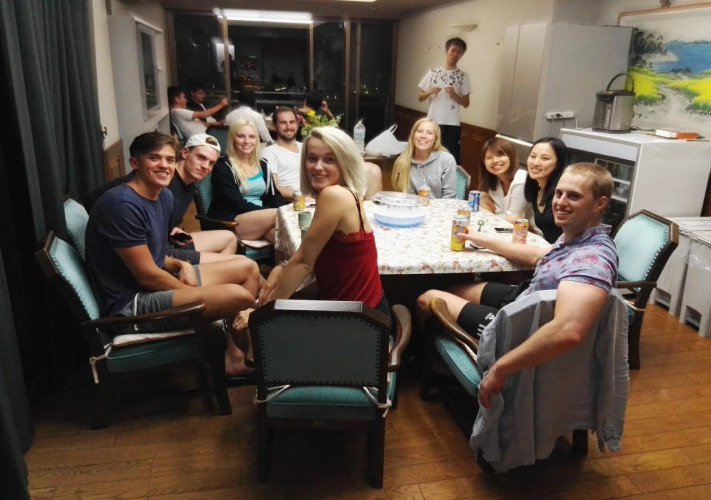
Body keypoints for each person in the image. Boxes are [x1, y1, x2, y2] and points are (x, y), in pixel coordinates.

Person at [417, 162, 617, 407]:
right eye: (559, 193)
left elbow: (569, 330)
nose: (560, 202)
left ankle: (436, 364)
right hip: (522, 299)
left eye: (574, 196)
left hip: (517, 328)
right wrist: (479, 239)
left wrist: (501, 367)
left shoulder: (592, 260)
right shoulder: (579, 237)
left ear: (599, 204)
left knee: (428, 298)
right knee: (453, 287)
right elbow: (538, 256)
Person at [85, 132, 260, 376]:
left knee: (248, 267)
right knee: (238, 296)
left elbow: (155, 255)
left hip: (154, 284)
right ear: (135, 163)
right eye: (154, 158)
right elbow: (147, 276)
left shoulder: (163, 196)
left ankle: (234, 355)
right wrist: (196, 293)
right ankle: (242, 352)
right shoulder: (122, 205)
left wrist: (180, 265)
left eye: (169, 159)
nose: (164, 166)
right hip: (130, 303)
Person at [235, 126, 388, 332]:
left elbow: (304, 262)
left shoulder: (335, 196)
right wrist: (283, 267)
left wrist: (261, 314)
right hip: (360, 310)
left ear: (345, 162)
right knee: (265, 300)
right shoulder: (345, 193)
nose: (318, 167)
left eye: (329, 160)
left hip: (357, 324)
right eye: (312, 158)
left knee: (254, 324)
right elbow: (315, 255)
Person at [83, 134, 239, 265]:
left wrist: (172, 228)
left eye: (211, 163)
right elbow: (93, 198)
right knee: (236, 264)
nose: (205, 166)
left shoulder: (191, 185)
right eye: (200, 158)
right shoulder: (158, 179)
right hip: (158, 252)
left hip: (169, 242)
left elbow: (163, 216)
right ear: (185, 153)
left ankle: (205, 278)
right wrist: (117, 235)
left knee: (230, 239)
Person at [208, 120, 286, 244]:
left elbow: (274, 195)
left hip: (263, 217)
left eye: (251, 137)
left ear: (257, 140)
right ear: (233, 139)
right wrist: (268, 213)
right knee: (281, 214)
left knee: (283, 237)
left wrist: (280, 210)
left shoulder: (263, 164)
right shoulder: (223, 166)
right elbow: (235, 203)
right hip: (232, 220)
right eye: (241, 136)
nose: (247, 141)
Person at [418, 37, 471, 164]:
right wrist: (430, 92)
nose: (455, 54)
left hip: (452, 124)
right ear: (446, 51)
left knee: (450, 160)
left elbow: (466, 103)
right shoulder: (433, 73)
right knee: (428, 156)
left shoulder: (463, 76)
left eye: (459, 52)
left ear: (462, 55)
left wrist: (454, 95)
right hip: (432, 122)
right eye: (453, 50)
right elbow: (420, 97)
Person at [391, 117, 457, 199]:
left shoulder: (446, 160)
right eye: (419, 131)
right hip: (415, 205)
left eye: (429, 133)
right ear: (413, 135)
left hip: (442, 206)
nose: (423, 136)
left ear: (435, 139)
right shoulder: (403, 161)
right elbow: (407, 197)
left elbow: (449, 197)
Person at [524, 137, 569, 243]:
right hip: (550, 248)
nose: (535, 163)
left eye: (545, 158)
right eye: (533, 156)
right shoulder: (536, 191)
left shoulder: (562, 195)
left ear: (558, 163)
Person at [478, 136, 532, 224]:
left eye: (500, 155)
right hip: (501, 225)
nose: (495, 161)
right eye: (489, 157)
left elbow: (513, 219)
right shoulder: (494, 180)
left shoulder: (521, 180)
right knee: (481, 196)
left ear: (511, 156)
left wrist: (489, 222)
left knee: (513, 217)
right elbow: (499, 212)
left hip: (526, 229)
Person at [260, 107, 302, 200]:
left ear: (297, 124)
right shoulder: (269, 152)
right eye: (283, 123)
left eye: (292, 122)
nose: (288, 127)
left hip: (313, 199)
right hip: (290, 203)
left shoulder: (305, 147)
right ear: (274, 126)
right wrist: (302, 197)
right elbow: (273, 187)